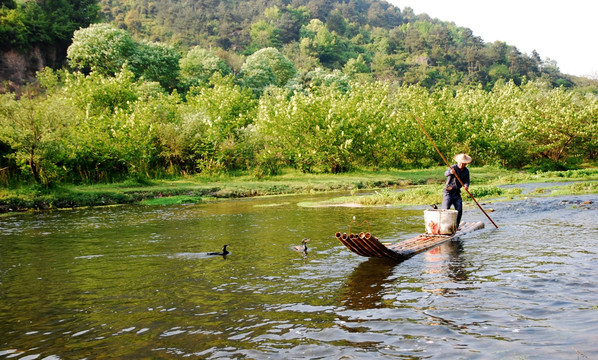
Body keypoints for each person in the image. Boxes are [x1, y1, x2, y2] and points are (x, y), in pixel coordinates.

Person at [442, 153, 471, 228]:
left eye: (464, 164)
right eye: (461, 163)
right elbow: (445, 174)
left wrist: (466, 186)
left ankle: (456, 226)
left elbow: (467, 181)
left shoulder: (466, 171)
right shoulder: (453, 168)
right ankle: (443, 226)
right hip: (448, 192)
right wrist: (450, 172)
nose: (462, 165)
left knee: (459, 210)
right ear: (458, 162)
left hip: (457, 193)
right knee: (445, 210)